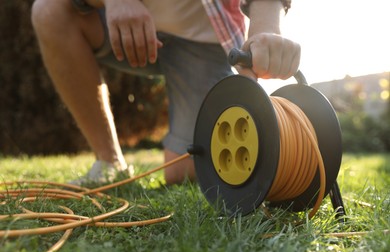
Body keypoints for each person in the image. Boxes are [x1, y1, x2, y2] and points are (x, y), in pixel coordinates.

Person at [31, 0, 300, 185]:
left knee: (184, 171)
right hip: (115, 18)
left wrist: (266, 29)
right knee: (49, 10)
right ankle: (110, 162)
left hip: (202, 40)